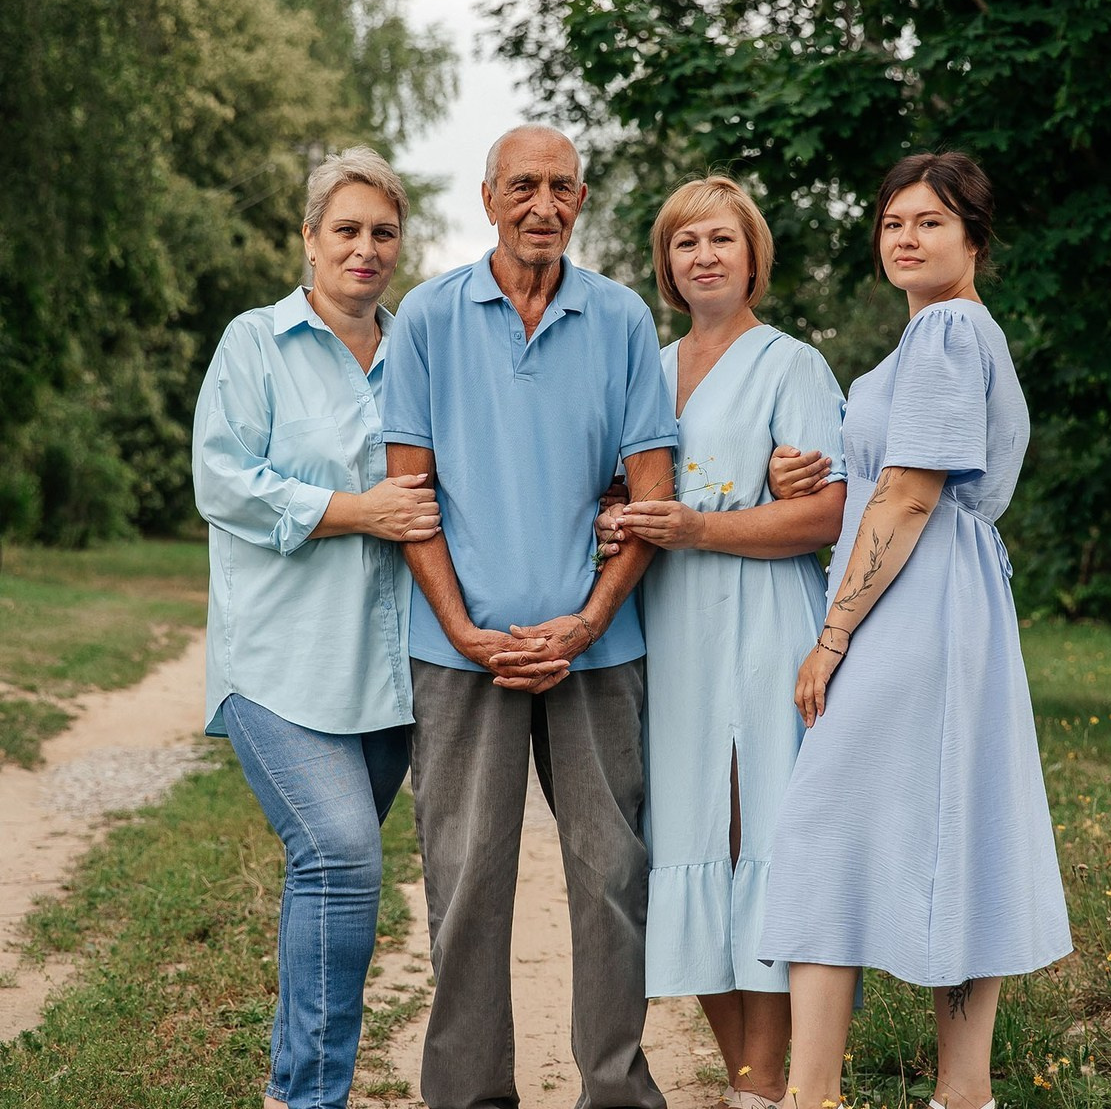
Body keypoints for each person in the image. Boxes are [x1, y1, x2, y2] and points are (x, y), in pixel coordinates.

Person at [759, 152, 1073, 1109]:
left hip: (918, 601)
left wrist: (833, 634)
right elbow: (879, 488)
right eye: (893, 222)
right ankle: (962, 1093)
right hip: (954, 600)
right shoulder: (957, 335)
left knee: (819, 831)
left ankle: (811, 1097)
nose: (906, 237)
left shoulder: (944, 330)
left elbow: (908, 495)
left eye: (930, 222)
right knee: (955, 826)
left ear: (973, 239)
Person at [380, 124, 679, 1109]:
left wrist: (587, 621)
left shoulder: (623, 317)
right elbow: (409, 495)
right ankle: (466, 1093)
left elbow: (647, 498)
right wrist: (465, 628)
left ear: (582, 200)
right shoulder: (426, 316)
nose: (540, 203)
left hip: (596, 652)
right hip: (459, 654)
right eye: (522, 185)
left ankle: (614, 1089)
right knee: (465, 881)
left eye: (559, 186)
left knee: (608, 879)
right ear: (487, 197)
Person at [192, 146, 441, 1109]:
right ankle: (311, 1098)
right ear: (309, 237)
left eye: (384, 232)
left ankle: (290, 1085)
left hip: (391, 677)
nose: (365, 249)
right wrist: (358, 509)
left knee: (326, 882)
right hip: (278, 665)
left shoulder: (420, 350)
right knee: (341, 857)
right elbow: (223, 481)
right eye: (346, 229)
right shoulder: (256, 342)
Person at [595, 177, 846, 1108]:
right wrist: (611, 523)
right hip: (671, 631)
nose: (704, 256)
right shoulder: (646, 369)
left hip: (765, 622)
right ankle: (752, 1085)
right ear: (664, 263)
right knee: (689, 840)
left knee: (759, 837)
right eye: (685, 242)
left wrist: (698, 527)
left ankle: (768, 1086)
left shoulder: (793, 365)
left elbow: (824, 515)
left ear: (754, 257)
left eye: (722, 240)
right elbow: (618, 496)